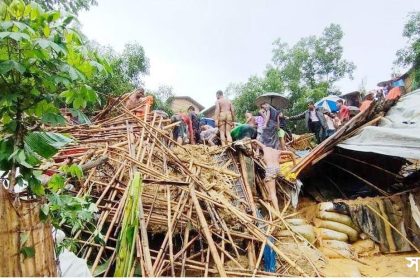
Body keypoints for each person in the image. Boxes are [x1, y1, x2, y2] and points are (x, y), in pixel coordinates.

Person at [251, 139, 296, 212]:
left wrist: (251, 141)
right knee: (265, 180)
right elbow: (291, 153)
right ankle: (269, 195)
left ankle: (277, 212)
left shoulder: (265, 148)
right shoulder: (277, 151)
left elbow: (255, 141)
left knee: (273, 193)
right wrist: (295, 164)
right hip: (278, 169)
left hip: (270, 169)